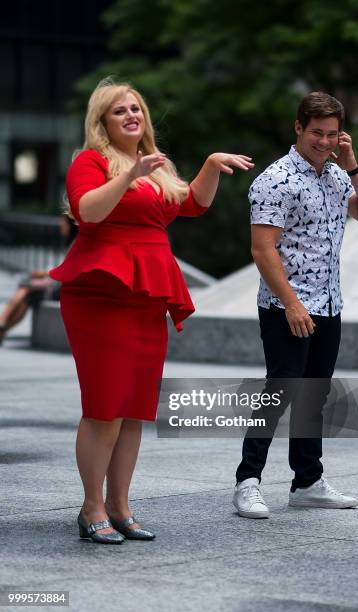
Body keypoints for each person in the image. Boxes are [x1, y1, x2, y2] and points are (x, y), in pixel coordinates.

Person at [49, 79, 254, 544]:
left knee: (135, 408)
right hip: (99, 294)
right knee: (104, 407)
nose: (131, 116)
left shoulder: (157, 167)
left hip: (144, 298)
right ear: (102, 123)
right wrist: (129, 174)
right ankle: (91, 507)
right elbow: (87, 211)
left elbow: (193, 204)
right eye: (119, 111)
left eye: (136, 108)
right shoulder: (92, 161)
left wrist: (209, 166)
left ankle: (121, 506)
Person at [233, 92, 358, 519]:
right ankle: (248, 480)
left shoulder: (338, 176)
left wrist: (352, 164)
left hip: (329, 304)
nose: (324, 141)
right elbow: (263, 249)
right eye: (316, 132)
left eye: (332, 134)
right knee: (279, 392)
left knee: (313, 395)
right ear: (298, 128)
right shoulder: (275, 179)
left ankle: (307, 482)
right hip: (287, 306)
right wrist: (292, 305)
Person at [0, 215, 77, 345]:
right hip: (59, 286)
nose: (60, 226)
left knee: (26, 287)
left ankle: (2, 323)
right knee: (28, 297)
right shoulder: (72, 243)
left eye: (63, 223)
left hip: (62, 289)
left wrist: (45, 274)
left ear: (71, 225)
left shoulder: (76, 244)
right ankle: (3, 328)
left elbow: (66, 271)